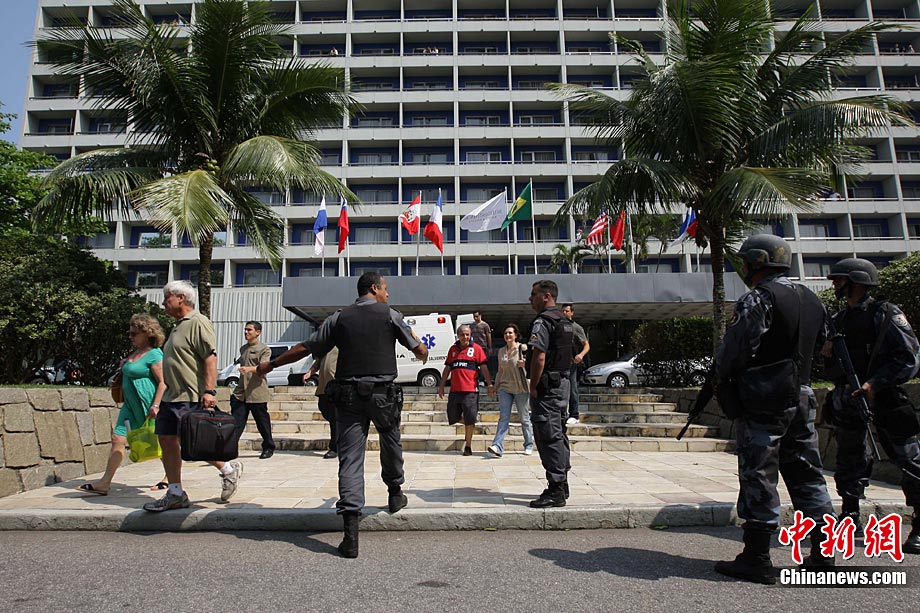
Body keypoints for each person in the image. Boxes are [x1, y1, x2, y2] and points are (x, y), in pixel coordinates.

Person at [256, 272, 428, 558]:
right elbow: (419, 351)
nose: (387, 294)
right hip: (383, 396)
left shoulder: (338, 318)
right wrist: (421, 348)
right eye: (385, 289)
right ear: (374, 288)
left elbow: (305, 348)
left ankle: (350, 536)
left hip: (348, 397)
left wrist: (270, 365)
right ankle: (395, 493)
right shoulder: (391, 315)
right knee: (390, 442)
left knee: (350, 458)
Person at [712, 234, 835, 584]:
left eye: (746, 263)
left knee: (758, 472)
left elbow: (737, 347)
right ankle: (824, 553)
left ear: (759, 262)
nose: (744, 269)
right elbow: (825, 343)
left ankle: (756, 557)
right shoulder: (812, 298)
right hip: (802, 395)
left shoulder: (760, 297)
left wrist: (721, 377)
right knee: (807, 473)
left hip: (766, 397)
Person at [822, 258, 920, 554]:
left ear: (858, 282)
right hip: (851, 399)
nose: (835, 284)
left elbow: (909, 358)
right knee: (850, 459)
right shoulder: (839, 320)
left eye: (840, 279)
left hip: (885, 397)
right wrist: (827, 354)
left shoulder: (886, 314)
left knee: (910, 461)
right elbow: (831, 368)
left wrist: (875, 384)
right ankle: (850, 515)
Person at [143, 281, 243, 512]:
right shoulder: (178, 326)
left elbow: (210, 357)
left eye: (167, 297)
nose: (163, 302)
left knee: (193, 443)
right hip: (171, 396)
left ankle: (228, 469)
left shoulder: (198, 321)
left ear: (181, 298)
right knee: (166, 440)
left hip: (189, 395)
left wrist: (209, 391)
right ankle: (175, 493)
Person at [77, 314, 167, 495]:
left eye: (134, 333)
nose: (130, 336)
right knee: (117, 439)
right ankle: (105, 482)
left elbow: (163, 383)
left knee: (160, 442)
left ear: (147, 333)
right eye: (129, 333)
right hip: (129, 406)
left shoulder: (155, 354)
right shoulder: (135, 353)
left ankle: (169, 477)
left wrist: (156, 405)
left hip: (147, 405)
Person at [527, 280, 574, 508]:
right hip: (562, 385)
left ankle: (556, 489)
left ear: (546, 296)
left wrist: (533, 385)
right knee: (559, 433)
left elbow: (539, 357)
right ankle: (562, 484)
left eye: (533, 294)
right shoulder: (564, 321)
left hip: (548, 388)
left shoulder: (543, 321)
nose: (530, 299)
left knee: (548, 435)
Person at [439, 324, 494, 455]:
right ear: (458, 336)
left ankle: (468, 446)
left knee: (469, 418)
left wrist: (489, 384)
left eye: (467, 334)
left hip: (470, 391)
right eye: (462, 334)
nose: (465, 337)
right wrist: (441, 386)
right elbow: (447, 368)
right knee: (453, 417)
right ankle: (471, 423)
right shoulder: (453, 349)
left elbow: (484, 368)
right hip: (455, 390)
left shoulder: (476, 349)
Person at [488, 323, 533, 457]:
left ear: (516, 335)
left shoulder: (522, 348)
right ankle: (497, 446)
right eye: (506, 333)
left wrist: (525, 363)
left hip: (521, 387)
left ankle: (529, 444)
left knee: (524, 418)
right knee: (504, 418)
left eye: (510, 333)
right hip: (505, 388)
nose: (508, 335)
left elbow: (533, 362)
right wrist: (495, 386)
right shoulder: (501, 351)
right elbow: (500, 371)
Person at [233, 321, 275, 459]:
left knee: (262, 422)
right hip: (241, 393)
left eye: (249, 330)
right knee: (236, 423)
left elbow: (265, 367)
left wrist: (249, 369)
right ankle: (229, 449)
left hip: (256, 392)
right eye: (245, 329)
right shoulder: (243, 349)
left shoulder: (265, 350)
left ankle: (268, 447)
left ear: (258, 332)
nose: (246, 332)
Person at [307, 345, 340, 459]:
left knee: (335, 418)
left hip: (336, 387)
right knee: (324, 409)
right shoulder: (325, 345)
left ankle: (335, 448)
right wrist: (310, 372)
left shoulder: (343, 343)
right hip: (323, 387)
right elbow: (317, 362)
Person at [561, 304, 590, 425]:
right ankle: (561, 413)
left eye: (567, 311)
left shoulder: (576, 327)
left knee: (572, 387)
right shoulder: (558, 326)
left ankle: (574, 414)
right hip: (559, 361)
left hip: (571, 362)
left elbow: (586, 345)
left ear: (572, 313)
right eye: (563, 311)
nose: (564, 313)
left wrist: (581, 355)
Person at [471, 311, 493, 384]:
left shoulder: (485, 325)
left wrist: (489, 347)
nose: (475, 318)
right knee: (475, 364)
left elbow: (488, 336)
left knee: (483, 364)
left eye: (477, 316)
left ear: (480, 316)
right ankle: (477, 378)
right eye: (474, 316)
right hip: (474, 347)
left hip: (483, 347)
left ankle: (483, 379)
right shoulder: (472, 326)